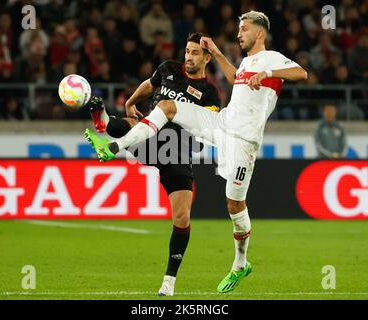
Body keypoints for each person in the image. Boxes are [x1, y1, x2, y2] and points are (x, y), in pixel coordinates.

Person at [85, 11, 307, 293]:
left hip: (243, 142)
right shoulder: (247, 62)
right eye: (239, 29)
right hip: (221, 123)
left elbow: (302, 73)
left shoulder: (272, 58)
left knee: (234, 205)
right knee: (166, 106)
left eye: (244, 29)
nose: (239, 34)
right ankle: (115, 145)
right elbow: (235, 77)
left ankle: (240, 264)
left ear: (259, 33)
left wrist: (268, 73)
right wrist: (215, 50)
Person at [86, 32, 220, 296]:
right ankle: (104, 120)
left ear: (207, 57)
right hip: (150, 137)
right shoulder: (168, 68)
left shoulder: (209, 93)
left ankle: (169, 281)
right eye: (187, 51)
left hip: (177, 152)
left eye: (195, 53)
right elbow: (150, 84)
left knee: (182, 217)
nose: (188, 57)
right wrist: (131, 101)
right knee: (137, 126)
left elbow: (209, 126)